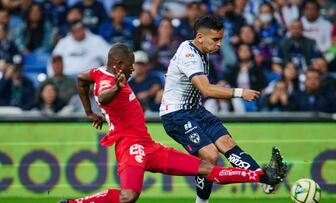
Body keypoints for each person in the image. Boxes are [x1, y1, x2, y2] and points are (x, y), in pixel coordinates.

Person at [57, 43, 286, 203]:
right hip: (130, 146)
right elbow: (105, 95)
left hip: (149, 146)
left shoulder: (97, 72)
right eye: (130, 65)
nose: (133, 69)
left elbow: (81, 79)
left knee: (207, 168)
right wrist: (116, 88)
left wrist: (89, 112)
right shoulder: (109, 82)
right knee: (129, 197)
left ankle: (262, 176)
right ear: (118, 64)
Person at [160, 15, 286, 203]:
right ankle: (202, 202)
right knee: (210, 156)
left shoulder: (201, 50)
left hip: (195, 110)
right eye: (215, 39)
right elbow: (206, 89)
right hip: (176, 115)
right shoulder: (189, 55)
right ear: (200, 37)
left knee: (227, 143)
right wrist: (239, 92)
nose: (219, 44)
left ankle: (265, 181)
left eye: (221, 39)